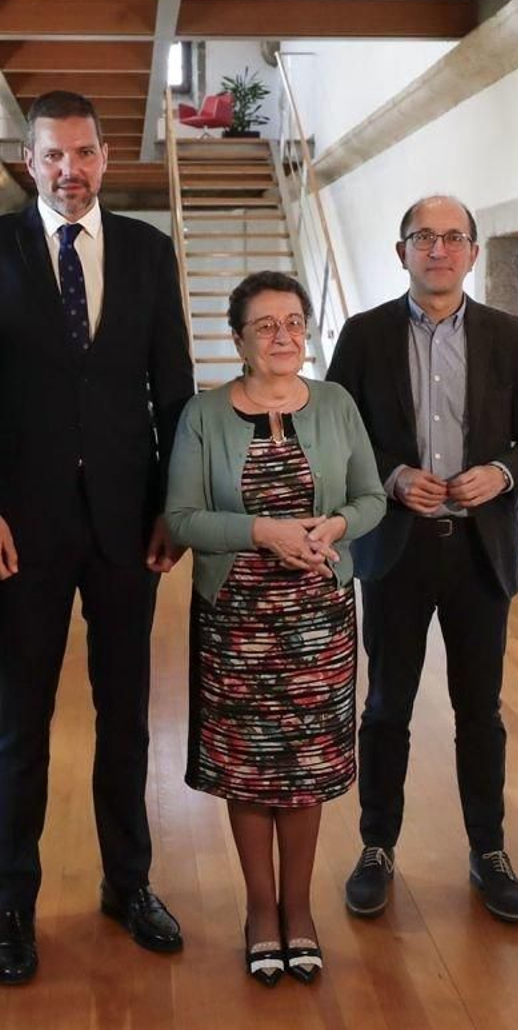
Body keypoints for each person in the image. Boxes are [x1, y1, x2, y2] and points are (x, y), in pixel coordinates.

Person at [0, 90, 195, 984]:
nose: (70, 170)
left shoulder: (149, 251)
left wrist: (175, 504)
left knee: (127, 715)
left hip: (129, 523)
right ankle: (13, 903)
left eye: (84, 153)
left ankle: (129, 882)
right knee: (23, 719)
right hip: (23, 526)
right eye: (53, 155)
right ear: (30, 161)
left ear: (105, 156)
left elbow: (175, 388)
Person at [327, 195, 518, 924]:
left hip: (479, 553)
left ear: (473, 253)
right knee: (386, 706)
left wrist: (504, 473)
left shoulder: (509, 336)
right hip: (396, 551)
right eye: (423, 237)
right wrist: (393, 476)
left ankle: (489, 850)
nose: (438, 249)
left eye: (452, 237)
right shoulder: (364, 335)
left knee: (480, 711)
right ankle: (376, 847)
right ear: (401, 251)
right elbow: (337, 433)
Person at [166, 271, 384, 986]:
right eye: (265, 325)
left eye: (293, 322)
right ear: (238, 339)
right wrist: (262, 531)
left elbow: (372, 497)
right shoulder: (203, 414)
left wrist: (336, 524)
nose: (283, 335)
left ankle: (300, 909)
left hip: (320, 616)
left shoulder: (336, 403)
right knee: (251, 768)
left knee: (306, 768)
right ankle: (261, 910)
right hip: (238, 620)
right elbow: (182, 519)